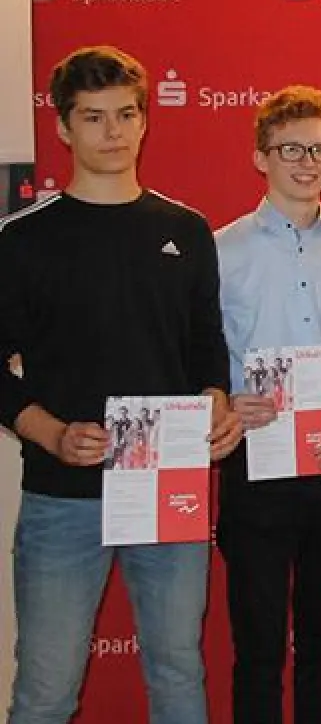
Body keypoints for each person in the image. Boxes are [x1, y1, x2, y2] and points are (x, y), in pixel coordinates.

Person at [0, 45, 240, 724]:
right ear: (62, 128)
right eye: (94, 117)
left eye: (126, 114)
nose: (113, 132)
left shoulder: (186, 231)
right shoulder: (20, 241)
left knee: (177, 674)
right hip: (61, 496)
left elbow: (204, 347)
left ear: (144, 120)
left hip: (169, 486)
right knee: (46, 692)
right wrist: (47, 430)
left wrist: (216, 401)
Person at [213, 86, 321, 724]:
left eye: (320, 149)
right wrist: (228, 404)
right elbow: (202, 356)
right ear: (262, 157)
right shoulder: (220, 250)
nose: (307, 161)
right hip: (254, 466)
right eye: (290, 148)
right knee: (256, 647)